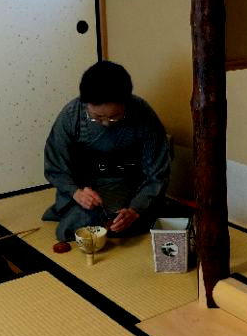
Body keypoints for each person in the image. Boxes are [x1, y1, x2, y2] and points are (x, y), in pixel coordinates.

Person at [42, 61, 171, 242]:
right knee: (74, 227)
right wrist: (76, 192)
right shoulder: (72, 115)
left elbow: (157, 173)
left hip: (130, 187)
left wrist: (135, 209)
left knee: (161, 222)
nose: (106, 123)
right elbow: (55, 166)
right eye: (97, 117)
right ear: (85, 103)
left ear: (127, 102)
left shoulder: (143, 113)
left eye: (114, 116)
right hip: (87, 191)